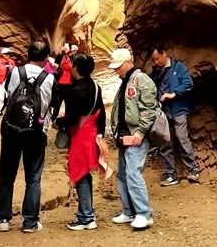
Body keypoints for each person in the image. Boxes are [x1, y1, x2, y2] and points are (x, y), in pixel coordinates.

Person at [0, 39, 57, 234]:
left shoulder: (15, 72)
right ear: (46, 58)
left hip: (12, 129)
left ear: (27, 54)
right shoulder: (50, 78)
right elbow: (51, 107)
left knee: (6, 176)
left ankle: (3, 219)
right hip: (36, 132)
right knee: (33, 178)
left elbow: (9, 95)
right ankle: (30, 221)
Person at [55, 52, 106, 231]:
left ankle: (86, 217)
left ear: (76, 68)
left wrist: (58, 122)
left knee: (80, 173)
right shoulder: (96, 86)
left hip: (80, 135)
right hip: (91, 133)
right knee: (85, 173)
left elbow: (73, 118)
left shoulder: (75, 91)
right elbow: (102, 113)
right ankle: (87, 213)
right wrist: (100, 133)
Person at [109, 47, 158, 231]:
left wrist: (140, 132)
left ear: (128, 62)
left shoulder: (141, 80)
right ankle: (129, 211)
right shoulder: (126, 81)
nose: (116, 70)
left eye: (118, 66)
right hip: (125, 136)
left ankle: (144, 214)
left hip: (136, 136)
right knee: (123, 174)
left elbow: (149, 109)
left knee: (133, 173)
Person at [149, 42, 200, 185]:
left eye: (157, 58)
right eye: (153, 60)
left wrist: (173, 94)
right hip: (163, 112)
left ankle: (193, 170)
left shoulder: (178, 67)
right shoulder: (156, 73)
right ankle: (171, 175)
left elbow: (188, 83)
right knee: (165, 142)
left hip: (178, 109)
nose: (156, 62)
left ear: (164, 53)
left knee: (181, 137)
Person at [53, 43, 73, 119]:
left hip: (69, 83)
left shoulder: (72, 58)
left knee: (68, 102)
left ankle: (67, 118)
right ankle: (54, 117)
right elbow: (55, 66)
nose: (65, 48)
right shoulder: (60, 56)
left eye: (67, 46)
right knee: (58, 101)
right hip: (60, 81)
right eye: (64, 46)